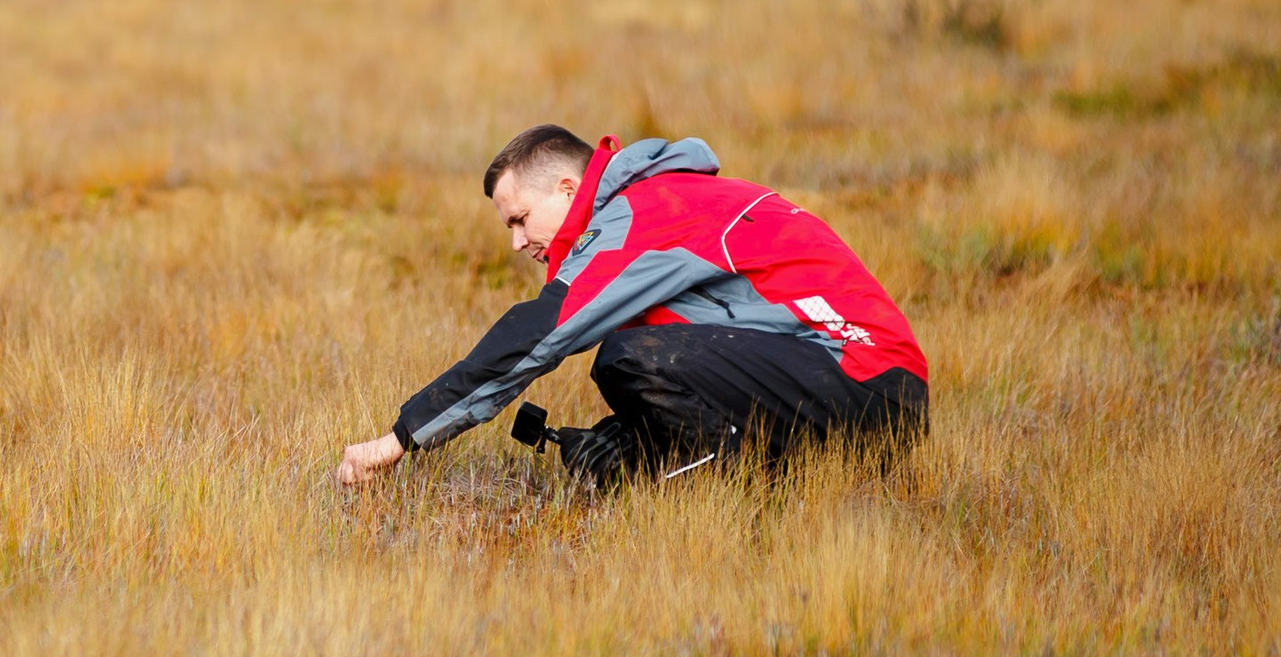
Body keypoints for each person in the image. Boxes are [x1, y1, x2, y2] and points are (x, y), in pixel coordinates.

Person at [333, 125, 928, 489]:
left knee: (627, 355)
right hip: (860, 390)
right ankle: (704, 481)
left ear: (569, 191)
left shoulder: (643, 212)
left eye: (519, 219)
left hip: (866, 383)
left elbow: (540, 334)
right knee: (632, 382)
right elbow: (718, 343)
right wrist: (628, 441)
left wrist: (399, 441)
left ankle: (721, 492)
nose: (517, 242)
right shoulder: (661, 203)